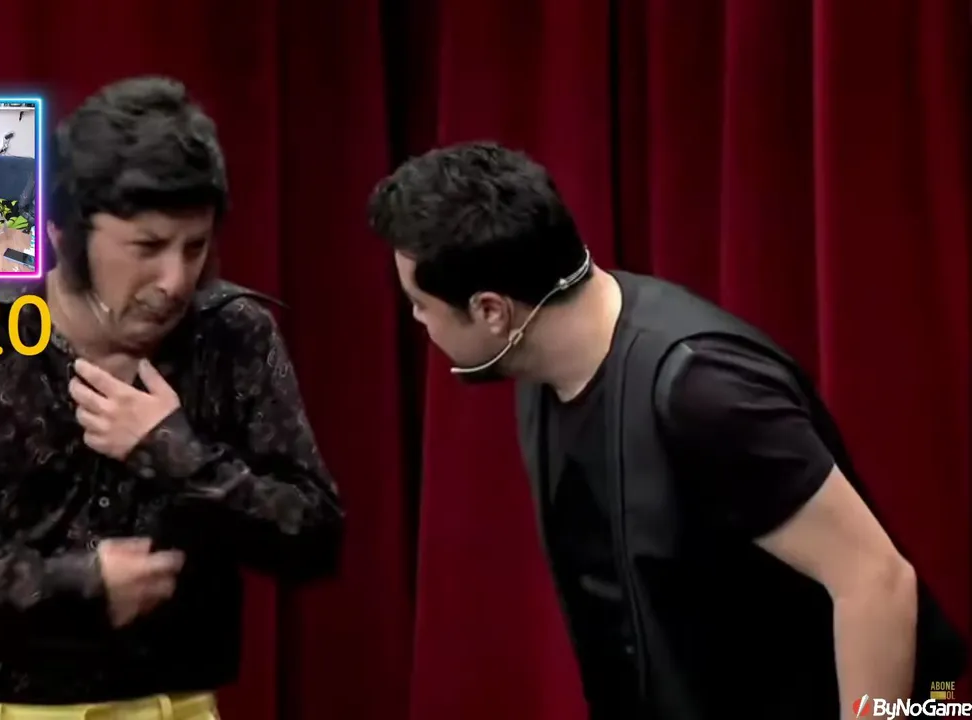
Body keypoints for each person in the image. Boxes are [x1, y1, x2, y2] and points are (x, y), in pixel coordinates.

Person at [366, 141, 965, 719]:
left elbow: (877, 581)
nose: (417, 319)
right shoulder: (541, 367)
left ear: (491, 311)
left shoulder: (704, 392)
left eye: (420, 304)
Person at [0, 77, 344, 720]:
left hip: (175, 707)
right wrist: (77, 583)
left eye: (195, 247)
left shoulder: (232, 334)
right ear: (63, 233)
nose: (175, 281)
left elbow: (315, 537)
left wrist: (178, 456)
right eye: (147, 248)